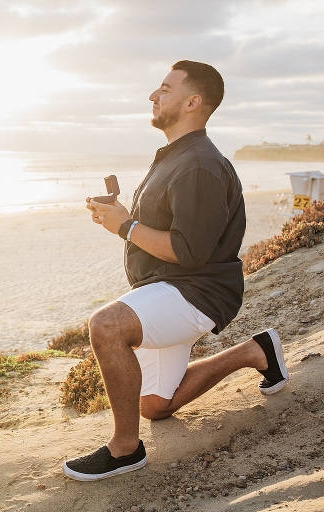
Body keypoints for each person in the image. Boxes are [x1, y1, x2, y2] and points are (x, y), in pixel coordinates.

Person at [63, 61, 289, 481]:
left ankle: (125, 450)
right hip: (169, 287)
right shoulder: (177, 156)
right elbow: (163, 231)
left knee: (107, 325)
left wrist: (126, 226)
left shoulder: (200, 164)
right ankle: (254, 352)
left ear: (192, 102)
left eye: (164, 89)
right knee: (154, 406)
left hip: (196, 292)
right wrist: (121, 220)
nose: (153, 95)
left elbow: (189, 252)